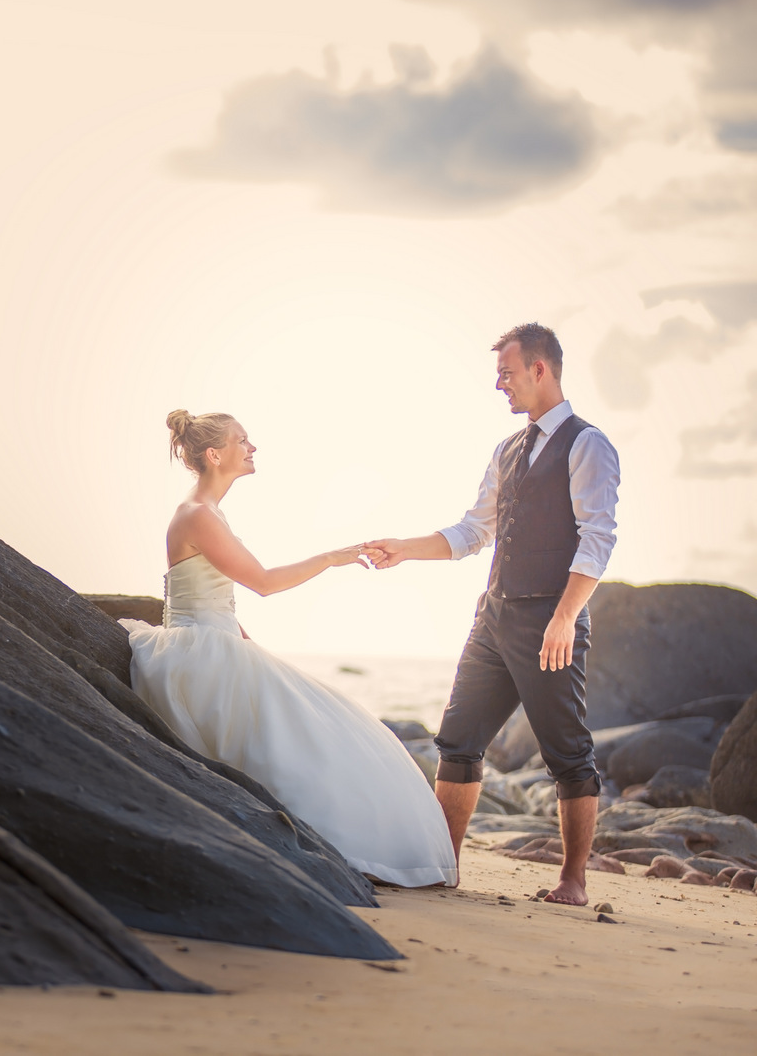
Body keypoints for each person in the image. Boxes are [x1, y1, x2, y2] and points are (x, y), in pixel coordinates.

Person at [121, 409, 458, 888]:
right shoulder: (197, 515)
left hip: (219, 639)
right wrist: (331, 558)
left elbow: (209, 595)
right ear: (215, 455)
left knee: (333, 725)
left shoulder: (208, 513)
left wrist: (247, 642)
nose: (252, 447)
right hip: (198, 651)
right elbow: (262, 582)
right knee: (300, 735)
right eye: (242, 440)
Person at [365, 323, 620, 906]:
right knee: (457, 741)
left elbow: (598, 539)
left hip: (549, 623)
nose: (499, 384)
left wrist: (564, 619)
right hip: (494, 618)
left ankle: (573, 881)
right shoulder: (506, 449)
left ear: (541, 370)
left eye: (507, 373)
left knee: (567, 753)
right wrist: (405, 547)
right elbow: (473, 531)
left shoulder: (588, 444)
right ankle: (442, 865)